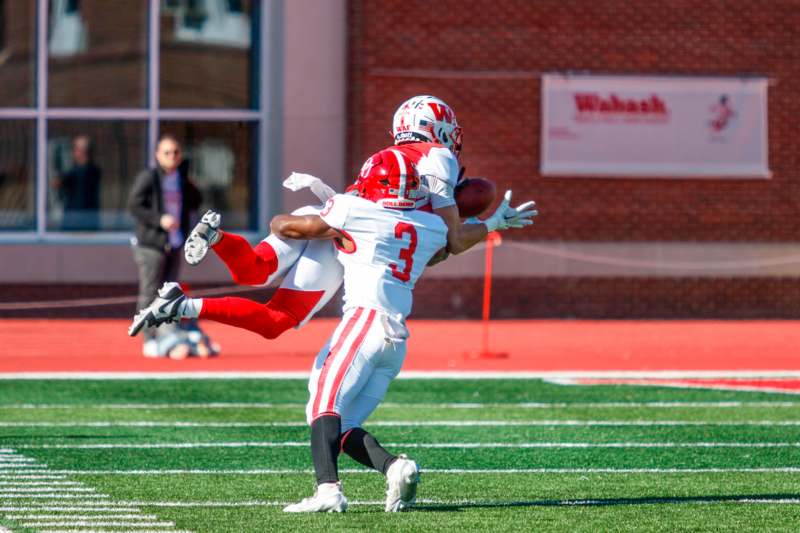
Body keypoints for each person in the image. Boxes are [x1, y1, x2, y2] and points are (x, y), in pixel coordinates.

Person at [129, 148, 535, 513]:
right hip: (395, 341)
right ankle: (396, 467)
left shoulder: (357, 208)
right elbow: (450, 245)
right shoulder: (427, 227)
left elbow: (284, 224)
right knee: (335, 420)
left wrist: (330, 209)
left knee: (318, 396)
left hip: (360, 314)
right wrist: (494, 220)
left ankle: (328, 489)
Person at [128, 95, 535, 341]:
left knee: (254, 270)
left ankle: (215, 243)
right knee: (277, 319)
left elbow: (432, 239)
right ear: (434, 129)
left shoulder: (388, 162)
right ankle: (185, 306)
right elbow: (447, 239)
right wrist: (490, 223)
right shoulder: (437, 162)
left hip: (331, 218)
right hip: (336, 235)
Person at [127, 134, 202, 357]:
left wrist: (190, 183)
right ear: (158, 155)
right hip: (151, 244)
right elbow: (134, 205)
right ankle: (148, 337)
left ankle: (167, 336)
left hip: (175, 243)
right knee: (149, 291)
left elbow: (196, 202)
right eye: (167, 153)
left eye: (176, 152)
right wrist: (159, 219)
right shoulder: (149, 177)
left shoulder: (181, 179)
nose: (172, 157)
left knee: (170, 292)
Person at [53, 135, 102, 230]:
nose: (73, 152)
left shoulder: (79, 173)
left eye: (75, 149)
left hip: (76, 223)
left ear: (81, 151)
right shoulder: (93, 171)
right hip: (85, 221)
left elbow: (56, 183)